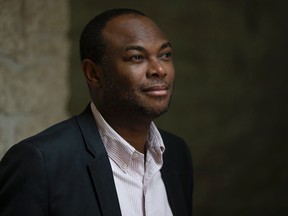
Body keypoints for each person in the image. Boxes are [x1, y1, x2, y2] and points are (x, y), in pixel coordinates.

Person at [0, 8, 193, 216]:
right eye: (137, 57)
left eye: (165, 55)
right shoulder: (40, 163)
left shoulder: (176, 154)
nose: (159, 69)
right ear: (93, 73)